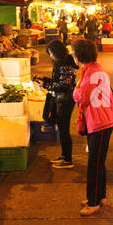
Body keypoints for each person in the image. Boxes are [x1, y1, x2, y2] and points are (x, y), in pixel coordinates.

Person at [72, 39, 113, 216]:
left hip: (100, 123)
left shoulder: (92, 73)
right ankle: (100, 196)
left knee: (94, 164)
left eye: (73, 53)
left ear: (78, 56)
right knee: (98, 162)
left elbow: (82, 98)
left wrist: (76, 90)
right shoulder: (91, 70)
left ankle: (94, 202)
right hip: (98, 121)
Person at [38, 40, 78, 169]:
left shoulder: (65, 64)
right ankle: (64, 155)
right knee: (62, 129)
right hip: (62, 100)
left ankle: (68, 159)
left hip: (65, 101)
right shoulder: (61, 62)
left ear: (56, 52)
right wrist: (44, 79)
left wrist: (45, 85)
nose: (50, 56)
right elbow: (58, 81)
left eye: (50, 53)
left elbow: (64, 85)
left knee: (64, 130)